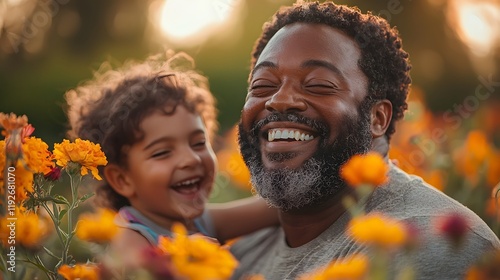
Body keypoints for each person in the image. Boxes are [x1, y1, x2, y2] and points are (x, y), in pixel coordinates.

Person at [231, 2, 500, 279]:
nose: (279, 100)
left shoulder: (430, 245)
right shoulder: (240, 256)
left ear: (378, 118)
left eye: (318, 84)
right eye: (263, 85)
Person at [64, 51, 277, 268]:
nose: (191, 159)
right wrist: (182, 261)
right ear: (122, 180)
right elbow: (129, 267)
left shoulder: (201, 222)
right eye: (162, 152)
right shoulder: (128, 237)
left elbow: (275, 209)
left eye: (198, 143)